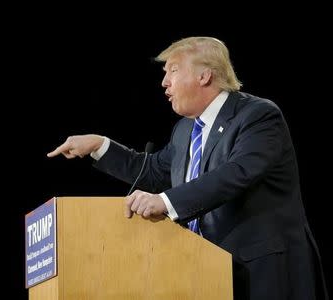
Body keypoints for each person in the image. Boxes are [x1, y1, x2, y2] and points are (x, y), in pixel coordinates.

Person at [46, 36, 328, 300]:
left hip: (264, 272)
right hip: (205, 272)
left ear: (204, 76)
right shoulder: (185, 131)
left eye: (173, 70)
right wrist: (100, 145)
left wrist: (164, 202)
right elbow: (154, 171)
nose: (164, 83)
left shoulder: (257, 116)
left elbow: (236, 173)